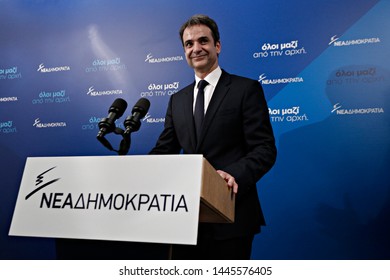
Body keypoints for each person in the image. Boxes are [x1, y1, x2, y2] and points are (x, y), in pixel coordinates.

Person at [149, 14, 277, 259]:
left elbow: (264, 148)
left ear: (217, 45)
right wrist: (135, 172)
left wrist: (234, 175)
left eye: (203, 41)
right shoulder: (177, 99)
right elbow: (164, 150)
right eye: (189, 44)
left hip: (232, 216)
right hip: (184, 219)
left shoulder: (245, 89)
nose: (196, 48)